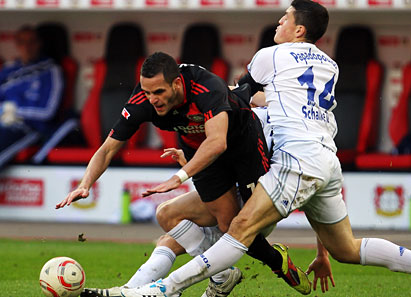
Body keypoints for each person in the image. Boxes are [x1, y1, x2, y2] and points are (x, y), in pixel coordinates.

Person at [121, 1, 411, 297]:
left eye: (285, 17)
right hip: (326, 161)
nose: (279, 22)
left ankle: (162, 289)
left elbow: (237, 99)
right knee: (345, 248)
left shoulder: (269, 56)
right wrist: (321, 250)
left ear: (299, 29)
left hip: (297, 159)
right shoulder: (329, 67)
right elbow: (278, 103)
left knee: (239, 227)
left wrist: (209, 107)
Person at [57, 52, 310, 296]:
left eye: (159, 92)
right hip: (201, 152)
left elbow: (218, 142)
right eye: (147, 92)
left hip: (242, 146)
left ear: (177, 84)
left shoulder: (206, 87)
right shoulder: (142, 102)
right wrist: (85, 184)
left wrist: (179, 177)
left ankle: (276, 262)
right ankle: (223, 276)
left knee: (246, 227)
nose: (152, 99)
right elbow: (108, 148)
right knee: (223, 223)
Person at [0, 25, 63, 169]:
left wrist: (14, 111)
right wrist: (3, 110)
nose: (27, 47)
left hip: (28, 127)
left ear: (39, 44)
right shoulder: (8, 70)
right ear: (16, 44)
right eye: (22, 42)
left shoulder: (50, 70)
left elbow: (48, 111)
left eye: (31, 42)